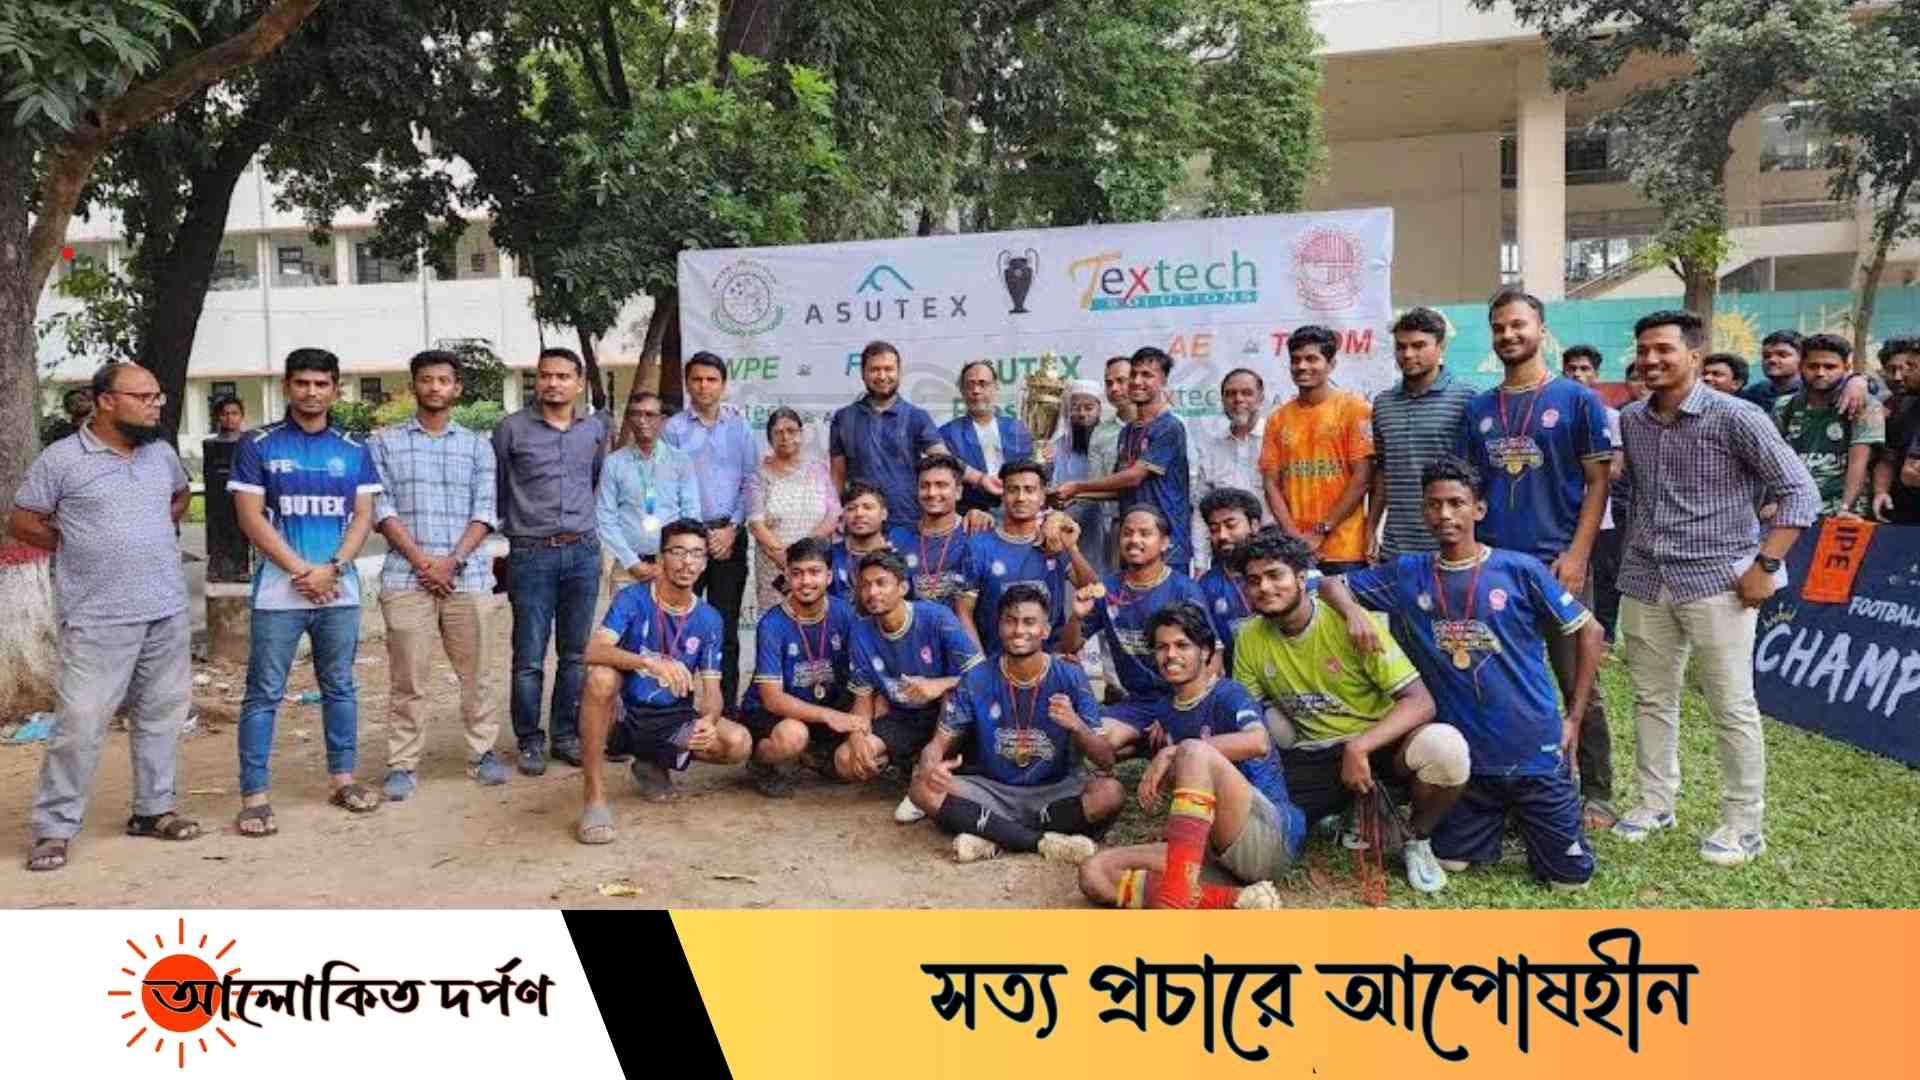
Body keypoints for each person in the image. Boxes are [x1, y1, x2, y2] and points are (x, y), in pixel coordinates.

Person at [1322, 456, 1601, 890]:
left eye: (1456, 503)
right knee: (1451, 862)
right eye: (1434, 505)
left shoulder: (1520, 569)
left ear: (1479, 509)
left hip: (1534, 752)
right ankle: (1491, 820)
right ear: (1423, 511)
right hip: (1472, 766)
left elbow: (1590, 631)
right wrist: (1354, 613)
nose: (1445, 514)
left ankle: (1534, 819)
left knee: (1570, 881)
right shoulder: (1409, 573)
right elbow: (1328, 585)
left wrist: (1574, 718)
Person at [1611, 309, 1819, 866]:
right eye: (1643, 350)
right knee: (1652, 699)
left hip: (1718, 582)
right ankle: (1655, 803)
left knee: (1731, 704)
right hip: (1646, 577)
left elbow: (1800, 492)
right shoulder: (1631, 419)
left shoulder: (1737, 416)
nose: (1651, 359)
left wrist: (1766, 564)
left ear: (1695, 355)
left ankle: (1744, 825)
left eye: (1664, 349)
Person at [15, 362, 199, 871]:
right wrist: (77, 543)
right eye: (143, 397)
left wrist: (150, 530)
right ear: (105, 401)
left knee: (161, 717)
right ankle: (54, 828)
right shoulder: (62, 459)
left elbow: (180, 495)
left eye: (157, 397)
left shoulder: (160, 454)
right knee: (80, 724)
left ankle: (153, 810)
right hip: (96, 616)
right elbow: (24, 520)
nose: (154, 405)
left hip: (165, 609)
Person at [1231, 530, 1467, 894]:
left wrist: (1360, 747)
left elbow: (1421, 702)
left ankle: (1416, 838)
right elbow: (1245, 713)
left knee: (1445, 747)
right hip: (1316, 750)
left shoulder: (1351, 623)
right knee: (1264, 772)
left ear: (1300, 578)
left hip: (1379, 743)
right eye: (1254, 580)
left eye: (1275, 575)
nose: (1264, 587)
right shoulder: (1249, 636)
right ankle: (1347, 810)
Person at [1458, 289, 1616, 830]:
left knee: (1577, 681)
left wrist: (1578, 555)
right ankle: (1513, 789)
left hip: (1557, 565)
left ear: (1541, 330)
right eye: (1499, 327)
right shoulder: (1479, 409)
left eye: (1518, 325)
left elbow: (1598, 483)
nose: (1508, 335)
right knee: (1505, 684)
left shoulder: (1577, 400)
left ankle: (1596, 790)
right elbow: (1471, 491)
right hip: (1497, 569)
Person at [228, 347, 384, 836]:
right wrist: (303, 571)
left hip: (339, 590)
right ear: (286, 386)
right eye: (302, 383)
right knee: (263, 693)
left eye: (321, 384)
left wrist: (333, 568)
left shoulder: (354, 447)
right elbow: (250, 518)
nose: (311, 392)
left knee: (339, 686)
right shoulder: (258, 444)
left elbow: (363, 517)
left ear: (336, 388)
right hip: (280, 593)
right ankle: (255, 797)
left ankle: (343, 780)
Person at [1078, 604, 1303, 910]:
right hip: (1209, 850)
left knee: (1193, 752)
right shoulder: (1165, 710)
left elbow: (1258, 742)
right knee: (1096, 873)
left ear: (1206, 651)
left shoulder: (1229, 694)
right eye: (1162, 647)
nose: (1171, 655)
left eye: (1182, 645)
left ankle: (1174, 903)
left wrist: (1174, 750)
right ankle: (1236, 898)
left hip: (1267, 836)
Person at [369, 349, 505, 801]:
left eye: (443, 381)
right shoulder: (384, 444)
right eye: (426, 380)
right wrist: (422, 562)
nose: (434, 388)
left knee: (478, 673)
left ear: (456, 388)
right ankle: (403, 763)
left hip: (469, 577)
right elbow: (381, 509)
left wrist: (452, 562)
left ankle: (482, 752)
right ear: (413, 386)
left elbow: (485, 511)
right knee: (409, 678)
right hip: (406, 579)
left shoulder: (477, 446)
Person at [907, 584, 1122, 864]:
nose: (1019, 630)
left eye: (1029, 622)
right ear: (999, 627)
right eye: (1010, 621)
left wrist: (1077, 725)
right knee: (921, 788)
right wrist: (931, 766)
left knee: (1110, 792)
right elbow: (937, 745)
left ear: (1045, 630)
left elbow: (1106, 760)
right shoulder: (977, 678)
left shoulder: (1070, 676)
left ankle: (992, 832)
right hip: (993, 790)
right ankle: (1039, 842)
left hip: (1055, 791)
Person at [574, 519, 751, 842]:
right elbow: (593, 651)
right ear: (660, 558)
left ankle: (652, 763)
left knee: (737, 742)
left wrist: (709, 720)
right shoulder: (632, 599)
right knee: (601, 678)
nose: (687, 562)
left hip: (670, 717)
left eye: (696, 554)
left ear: (705, 562)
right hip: (623, 714)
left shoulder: (709, 618)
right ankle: (594, 797)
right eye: (678, 552)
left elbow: (712, 692)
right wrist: (648, 662)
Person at [494, 346, 609, 776]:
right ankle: (529, 739)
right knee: (528, 654)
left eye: (562, 376)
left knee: (575, 653)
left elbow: (594, 480)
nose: (553, 383)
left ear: (579, 383)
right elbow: (498, 488)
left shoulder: (593, 430)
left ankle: (565, 735)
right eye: (545, 375)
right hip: (531, 554)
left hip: (582, 552)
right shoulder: (511, 430)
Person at [839, 550, 984, 824]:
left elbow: (983, 674)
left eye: (881, 583)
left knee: (953, 694)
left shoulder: (937, 617)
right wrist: (857, 737)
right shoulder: (860, 630)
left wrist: (938, 684)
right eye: (866, 585)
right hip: (904, 716)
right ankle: (904, 765)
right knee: (846, 761)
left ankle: (926, 774)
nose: (872, 592)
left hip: (946, 715)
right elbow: (862, 696)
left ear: (903, 588)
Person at [1060, 506, 1207, 741]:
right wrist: (1076, 616)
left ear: (1164, 542)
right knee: (1095, 738)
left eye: (1145, 533)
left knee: (1179, 745)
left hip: (1181, 698)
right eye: (1127, 533)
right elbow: (1069, 648)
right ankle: (1139, 740)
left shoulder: (1185, 589)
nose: (1134, 540)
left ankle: (1144, 740)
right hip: (1137, 703)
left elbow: (1211, 658)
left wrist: (1177, 710)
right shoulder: (1109, 589)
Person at [662, 351, 757, 712]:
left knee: (725, 628)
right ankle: (674, 710)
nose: (704, 386)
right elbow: (667, 485)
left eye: (711, 379)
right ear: (688, 384)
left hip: (730, 538)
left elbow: (750, 482)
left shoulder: (740, 427)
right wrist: (697, 538)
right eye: (697, 379)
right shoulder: (673, 429)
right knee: (677, 625)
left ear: (723, 384)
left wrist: (732, 528)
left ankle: (725, 710)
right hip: (686, 540)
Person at [1055, 347, 1194, 574]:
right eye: (1134, 375)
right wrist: (1074, 495)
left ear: (1163, 381)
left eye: (1147, 375)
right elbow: (1119, 488)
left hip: (1167, 545)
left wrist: (1078, 486)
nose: (1137, 381)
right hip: (1133, 542)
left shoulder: (1169, 427)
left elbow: (1134, 477)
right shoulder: (1127, 432)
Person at [739, 538, 859, 797]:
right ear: (787, 575)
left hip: (824, 704)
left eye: (814, 572)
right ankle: (761, 762)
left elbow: (861, 673)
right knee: (793, 735)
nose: (805, 581)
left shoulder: (844, 614)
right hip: (773, 712)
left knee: (851, 766)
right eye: (797, 573)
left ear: (829, 576)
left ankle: (816, 752)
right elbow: (772, 699)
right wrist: (828, 716)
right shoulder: (771, 624)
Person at [1261, 325, 1375, 575]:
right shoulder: (1278, 419)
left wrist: (1321, 530)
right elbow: (1270, 483)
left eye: (1311, 359)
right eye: (1296, 360)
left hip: (1345, 549)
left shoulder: (1355, 410)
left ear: (1331, 364)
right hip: (1295, 551)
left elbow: (1363, 478)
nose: (1302, 366)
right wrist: (1294, 537)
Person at [1368, 306, 1477, 564]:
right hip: (1396, 548)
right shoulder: (1383, 404)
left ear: (1440, 347)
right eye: (1401, 346)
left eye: (1418, 346)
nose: (1407, 354)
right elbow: (1383, 471)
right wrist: (1371, 527)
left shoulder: (1468, 398)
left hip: (1451, 547)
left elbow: (1478, 474)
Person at [959, 460, 1091, 654]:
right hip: (997, 662)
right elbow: (963, 612)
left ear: (1042, 496)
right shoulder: (979, 546)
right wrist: (979, 663)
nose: (1021, 497)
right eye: (1013, 490)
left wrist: (1072, 548)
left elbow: (1093, 590)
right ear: (1003, 494)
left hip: (1048, 662)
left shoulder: (1055, 541)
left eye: (1029, 490)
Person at [830, 340, 947, 531]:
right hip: (861, 522)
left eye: (888, 369)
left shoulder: (917, 417)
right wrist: (836, 515)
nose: (882, 376)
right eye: (875, 369)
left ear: (898, 372)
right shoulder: (844, 418)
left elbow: (944, 460)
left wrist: (979, 479)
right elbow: (837, 475)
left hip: (908, 521)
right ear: (863, 374)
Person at [597, 392, 700, 594]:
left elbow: (691, 512)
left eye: (649, 414)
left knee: (672, 616)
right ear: (628, 419)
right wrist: (631, 562)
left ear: (662, 420)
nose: (642, 421)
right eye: (635, 414)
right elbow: (605, 517)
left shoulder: (680, 461)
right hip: (627, 568)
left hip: (673, 567)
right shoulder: (614, 463)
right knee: (625, 615)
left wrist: (672, 559)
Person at [1773, 333, 1885, 518]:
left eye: (1830, 367)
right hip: (1794, 509)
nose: (1820, 373)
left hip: (1841, 511)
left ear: (1846, 368)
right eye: (1813, 366)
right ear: (1800, 367)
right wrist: (1772, 502)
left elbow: (1859, 462)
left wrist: (1845, 509)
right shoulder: (1784, 406)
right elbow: (1773, 459)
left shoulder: (1865, 405)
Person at [746, 407, 841, 614]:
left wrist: (804, 551)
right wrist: (788, 560)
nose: (785, 437)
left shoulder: (818, 470)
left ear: (801, 434)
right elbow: (756, 524)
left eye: (791, 430)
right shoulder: (759, 477)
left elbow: (834, 513)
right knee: (777, 621)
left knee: (816, 622)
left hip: (814, 563)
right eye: (778, 432)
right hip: (775, 565)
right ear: (769, 439)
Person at [1561, 344, 1625, 643]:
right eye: (1571, 369)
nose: (1577, 374)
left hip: (1601, 516)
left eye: (1584, 369)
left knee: (1602, 579)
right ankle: (1571, 634)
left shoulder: (1609, 416)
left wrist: (1578, 466)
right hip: (1562, 513)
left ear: (1596, 374)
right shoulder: (1554, 415)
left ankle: (1605, 637)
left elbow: (1614, 469)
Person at [1188, 367, 1270, 574]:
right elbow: (1200, 510)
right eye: (1231, 394)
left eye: (1247, 393)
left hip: (1272, 551)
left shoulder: (1276, 439)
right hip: (1226, 557)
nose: (1238, 399)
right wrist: (1200, 564)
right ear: (1223, 400)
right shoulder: (1212, 448)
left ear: (1261, 399)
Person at [897, 453, 982, 633]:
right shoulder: (899, 538)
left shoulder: (975, 532)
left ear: (958, 491)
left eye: (941, 485)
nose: (932, 493)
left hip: (970, 637)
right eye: (925, 486)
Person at [940, 360, 1034, 516]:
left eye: (983, 384)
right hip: (970, 516)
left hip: (1018, 512)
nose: (976, 390)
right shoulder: (947, 434)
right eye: (970, 385)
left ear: (995, 387)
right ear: (962, 391)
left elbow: (1034, 470)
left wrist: (1046, 456)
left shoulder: (1018, 429)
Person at [1194, 487, 1264, 673]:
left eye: (1231, 525)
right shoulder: (1206, 587)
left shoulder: (1280, 571)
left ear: (1254, 525)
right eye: (1214, 529)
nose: (1222, 536)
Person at [1049, 380, 1109, 576]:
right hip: (1065, 529)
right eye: (1076, 408)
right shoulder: (1056, 447)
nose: (1082, 414)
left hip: (1105, 529)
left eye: (1089, 408)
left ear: (1099, 410)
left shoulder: (1110, 442)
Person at [1738, 329, 1871, 416]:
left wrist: (1858, 380)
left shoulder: (1820, 387)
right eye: (1766, 356)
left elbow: (1872, 388)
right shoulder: (1755, 393)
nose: (1772, 360)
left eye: (1782, 355)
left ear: (1802, 359)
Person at [829, 479, 902, 604]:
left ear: (884, 514)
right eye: (851, 508)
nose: (859, 513)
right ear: (843, 515)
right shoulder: (830, 556)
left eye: (868, 507)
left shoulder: (899, 552)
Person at [1874, 336, 1920, 523]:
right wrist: (1881, 491)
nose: (1901, 376)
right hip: (1904, 514)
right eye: (1892, 369)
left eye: (1911, 366)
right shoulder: (1901, 407)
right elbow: (1888, 456)